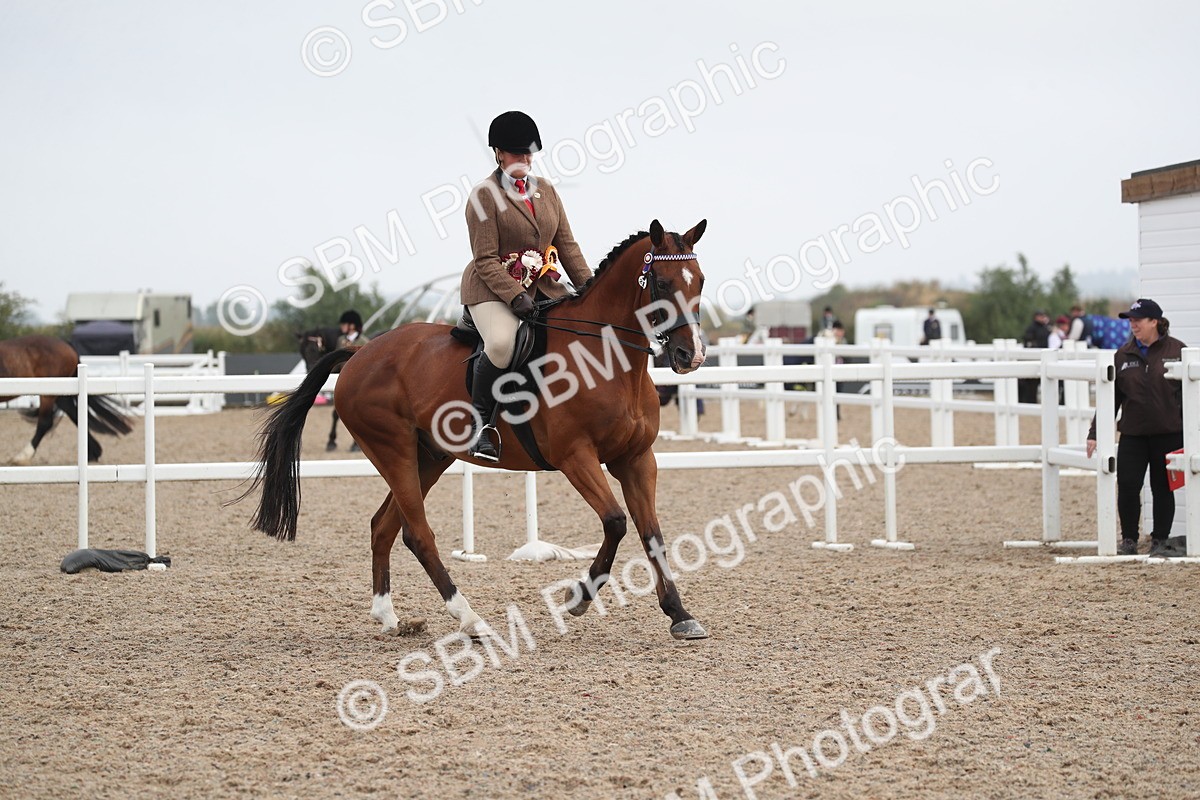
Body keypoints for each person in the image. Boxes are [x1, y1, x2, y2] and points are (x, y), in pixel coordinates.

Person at [460, 110, 592, 462]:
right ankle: (480, 428)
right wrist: (515, 295)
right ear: (499, 154)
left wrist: (592, 288)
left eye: (529, 153)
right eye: (517, 153)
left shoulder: (546, 191)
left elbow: (567, 247)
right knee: (502, 344)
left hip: (543, 287)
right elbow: (485, 258)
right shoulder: (483, 196)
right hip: (492, 290)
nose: (525, 159)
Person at [1085, 299, 1187, 557]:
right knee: (1128, 485)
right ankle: (1129, 538)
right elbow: (1112, 399)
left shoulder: (1178, 351)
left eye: (1137, 320)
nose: (1133, 325)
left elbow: (1190, 397)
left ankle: (1160, 539)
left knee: (1163, 488)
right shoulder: (1122, 355)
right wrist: (1095, 433)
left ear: (1154, 321)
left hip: (1168, 433)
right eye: (1130, 321)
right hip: (1133, 434)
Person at [1017, 311, 1051, 403]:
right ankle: (1030, 400)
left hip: (1044, 357)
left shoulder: (1045, 327)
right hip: (1034, 357)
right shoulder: (1032, 328)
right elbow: (1028, 341)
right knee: (1031, 381)